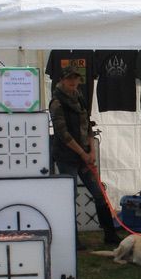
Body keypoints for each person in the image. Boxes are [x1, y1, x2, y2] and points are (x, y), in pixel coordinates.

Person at [50, 64, 121, 247]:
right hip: (67, 157)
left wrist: (91, 150)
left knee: (99, 193)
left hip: (84, 155)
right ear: (62, 80)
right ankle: (72, 240)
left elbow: (87, 124)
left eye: (75, 78)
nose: (73, 81)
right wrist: (83, 153)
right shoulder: (56, 103)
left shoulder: (79, 97)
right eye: (69, 78)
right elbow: (63, 134)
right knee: (70, 197)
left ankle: (110, 235)